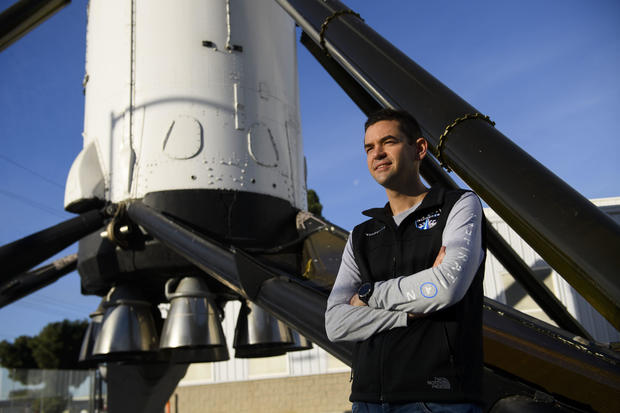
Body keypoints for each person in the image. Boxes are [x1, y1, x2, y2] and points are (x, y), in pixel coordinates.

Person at [325, 109, 486, 413]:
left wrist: (368, 295)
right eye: (369, 147)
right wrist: (410, 313)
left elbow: (446, 288)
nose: (378, 154)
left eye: (388, 142)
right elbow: (335, 324)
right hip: (368, 401)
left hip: (440, 400)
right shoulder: (361, 235)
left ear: (419, 149)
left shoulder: (459, 206)